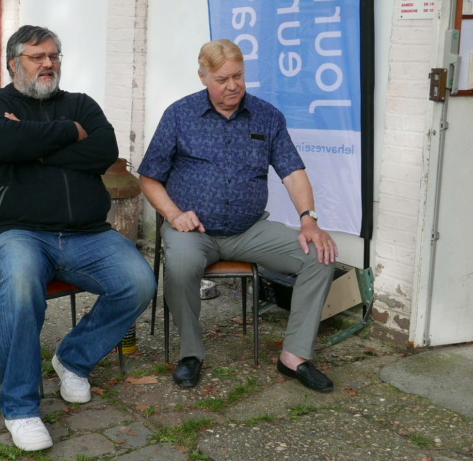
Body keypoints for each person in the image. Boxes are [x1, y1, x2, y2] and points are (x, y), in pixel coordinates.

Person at [0, 25, 156, 451]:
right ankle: (20, 407)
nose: (49, 63)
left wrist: (30, 146)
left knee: (139, 281)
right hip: (16, 234)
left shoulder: (80, 104)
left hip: (86, 234)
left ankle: (73, 358)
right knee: (19, 284)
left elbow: (104, 151)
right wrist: (70, 133)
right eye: (38, 57)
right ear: (14, 62)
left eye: (54, 56)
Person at [138, 39, 338, 392]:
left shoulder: (267, 116)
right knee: (181, 265)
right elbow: (149, 177)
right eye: (222, 79)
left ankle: (295, 356)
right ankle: (191, 353)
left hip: (249, 230)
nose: (232, 85)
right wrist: (173, 213)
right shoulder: (179, 115)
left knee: (319, 258)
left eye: (238, 76)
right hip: (193, 230)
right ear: (203, 78)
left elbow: (293, 172)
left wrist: (310, 220)